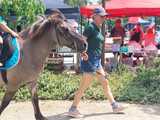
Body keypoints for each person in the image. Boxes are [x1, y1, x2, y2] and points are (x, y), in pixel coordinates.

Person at [67, 7, 125, 118]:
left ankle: (114, 106)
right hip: (89, 60)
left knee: (105, 82)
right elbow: (81, 42)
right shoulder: (90, 27)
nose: (104, 18)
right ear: (95, 16)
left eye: (105, 16)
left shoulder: (98, 28)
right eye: (102, 16)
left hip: (96, 61)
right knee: (84, 86)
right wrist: (83, 53)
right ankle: (72, 109)